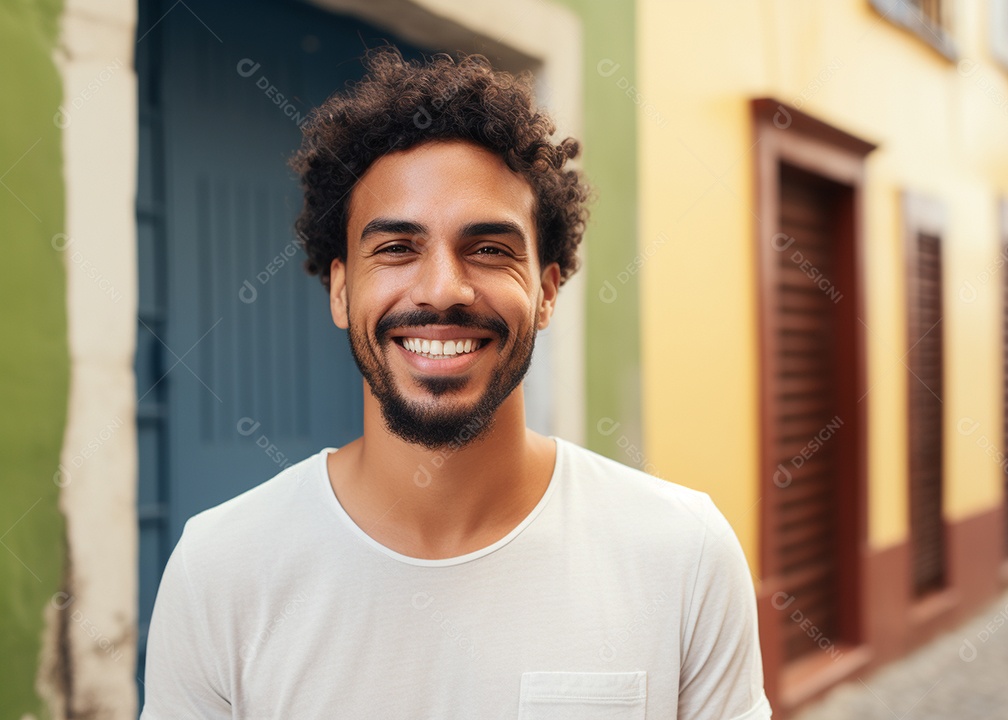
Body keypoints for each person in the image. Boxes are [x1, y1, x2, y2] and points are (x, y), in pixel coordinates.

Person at [142, 47, 771, 719]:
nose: (443, 289)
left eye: (490, 249)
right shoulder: (219, 570)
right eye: (396, 248)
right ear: (339, 288)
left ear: (548, 292)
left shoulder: (685, 554)